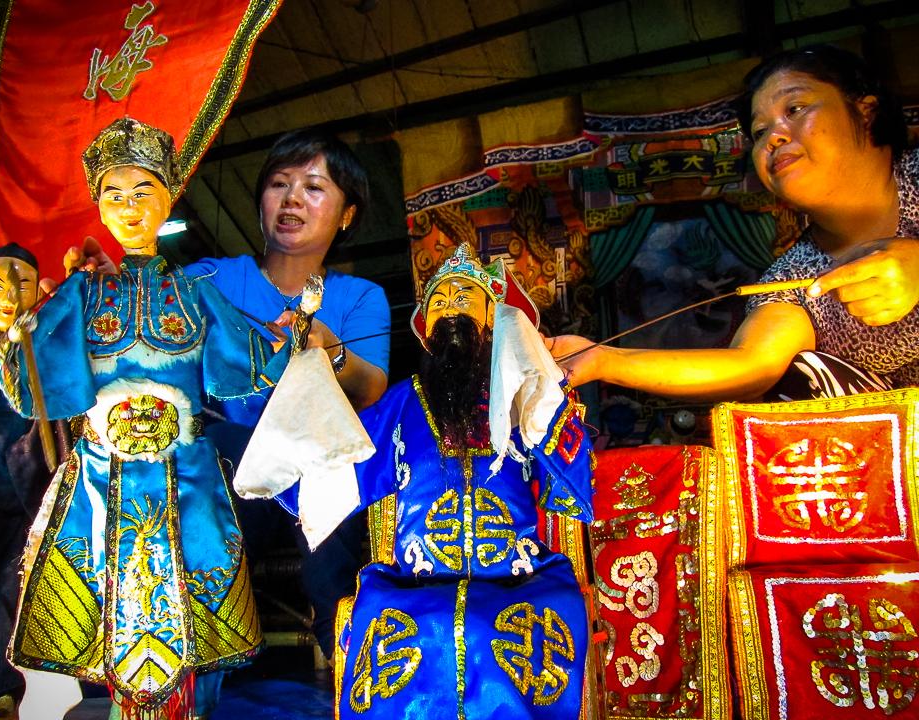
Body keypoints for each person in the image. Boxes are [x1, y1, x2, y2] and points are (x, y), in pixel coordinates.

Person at [0, 117, 290, 720]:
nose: (128, 208)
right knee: (107, 611)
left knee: (192, 611)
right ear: (100, 208)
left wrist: (296, 339)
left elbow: (255, 357)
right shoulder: (81, 293)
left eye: (142, 192)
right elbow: (29, 372)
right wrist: (20, 328)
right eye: (114, 196)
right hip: (101, 476)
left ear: (167, 200)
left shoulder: (195, 293)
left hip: (186, 473)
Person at [66, 130, 391, 661]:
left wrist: (327, 349)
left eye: (313, 188)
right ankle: (188, 640)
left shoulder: (360, 297)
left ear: (347, 214)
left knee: (330, 464)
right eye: (279, 184)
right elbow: (155, 338)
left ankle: (344, 648)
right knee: (213, 444)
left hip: (320, 470)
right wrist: (112, 288)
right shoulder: (207, 280)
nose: (291, 199)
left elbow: (371, 386)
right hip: (232, 471)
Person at [315, 243, 595, 719]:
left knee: (498, 632)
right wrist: (319, 369)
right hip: (413, 587)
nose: (450, 309)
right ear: (425, 329)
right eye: (439, 301)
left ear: (494, 318)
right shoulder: (404, 402)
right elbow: (342, 460)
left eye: (464, 296)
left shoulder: (525, 393)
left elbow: (571, 479)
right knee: (417, 632)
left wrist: (545, 397)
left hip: (517, 583)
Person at [551, 45, 919, 401]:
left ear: (865, 112)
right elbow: (753, 364)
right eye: (759, 132)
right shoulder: (793, 277)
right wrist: (603, 359)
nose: (774, 137)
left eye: (795, 108)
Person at [0, 244, 68, 718]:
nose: (9, 296)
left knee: (16, 593)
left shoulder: (47, 363)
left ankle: (9, 689)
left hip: (31, 497)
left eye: (22, 284)